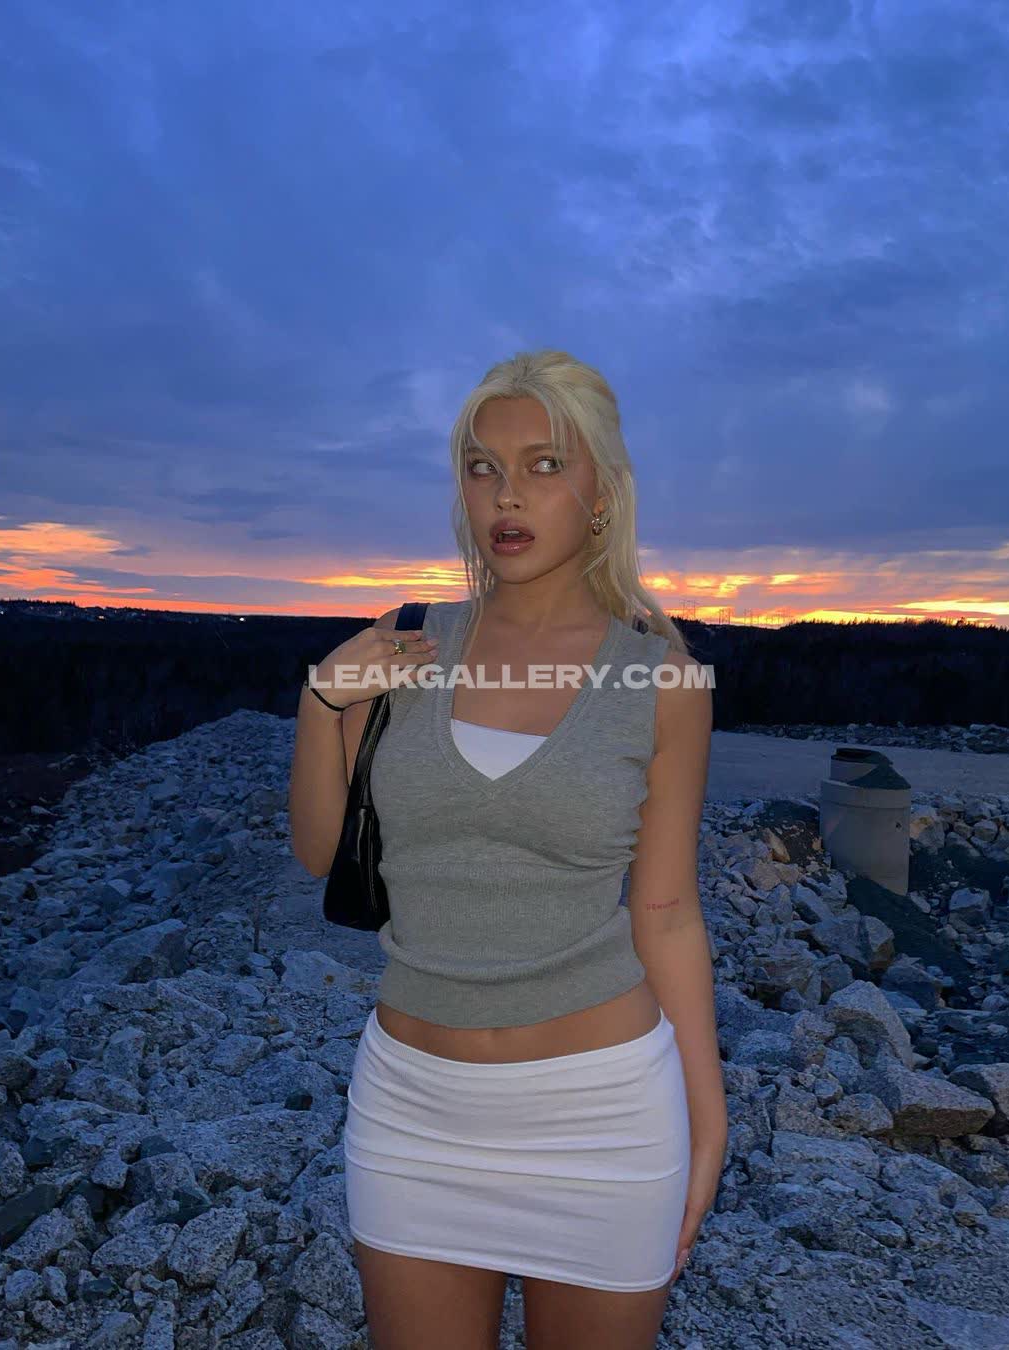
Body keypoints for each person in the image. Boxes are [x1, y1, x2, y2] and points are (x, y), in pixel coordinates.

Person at [289, 349, 726, 1350]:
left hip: (602, 1116)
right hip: (411, 1112)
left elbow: (665, 912)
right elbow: (320, 854)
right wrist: (319, 704)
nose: (507, 495)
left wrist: (709, 1119)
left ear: (602, 494)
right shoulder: (406, 644)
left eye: (544, 464)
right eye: (482, 467)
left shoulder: (663, 682)